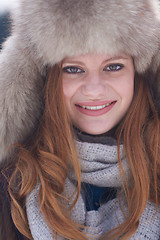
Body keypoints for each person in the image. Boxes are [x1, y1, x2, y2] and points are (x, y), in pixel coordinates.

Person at [0, 0, 160, 239]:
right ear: (45, 78)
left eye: (114, 66)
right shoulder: (9, 187)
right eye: (73, 69)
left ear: (139, 74)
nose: (94, 89)